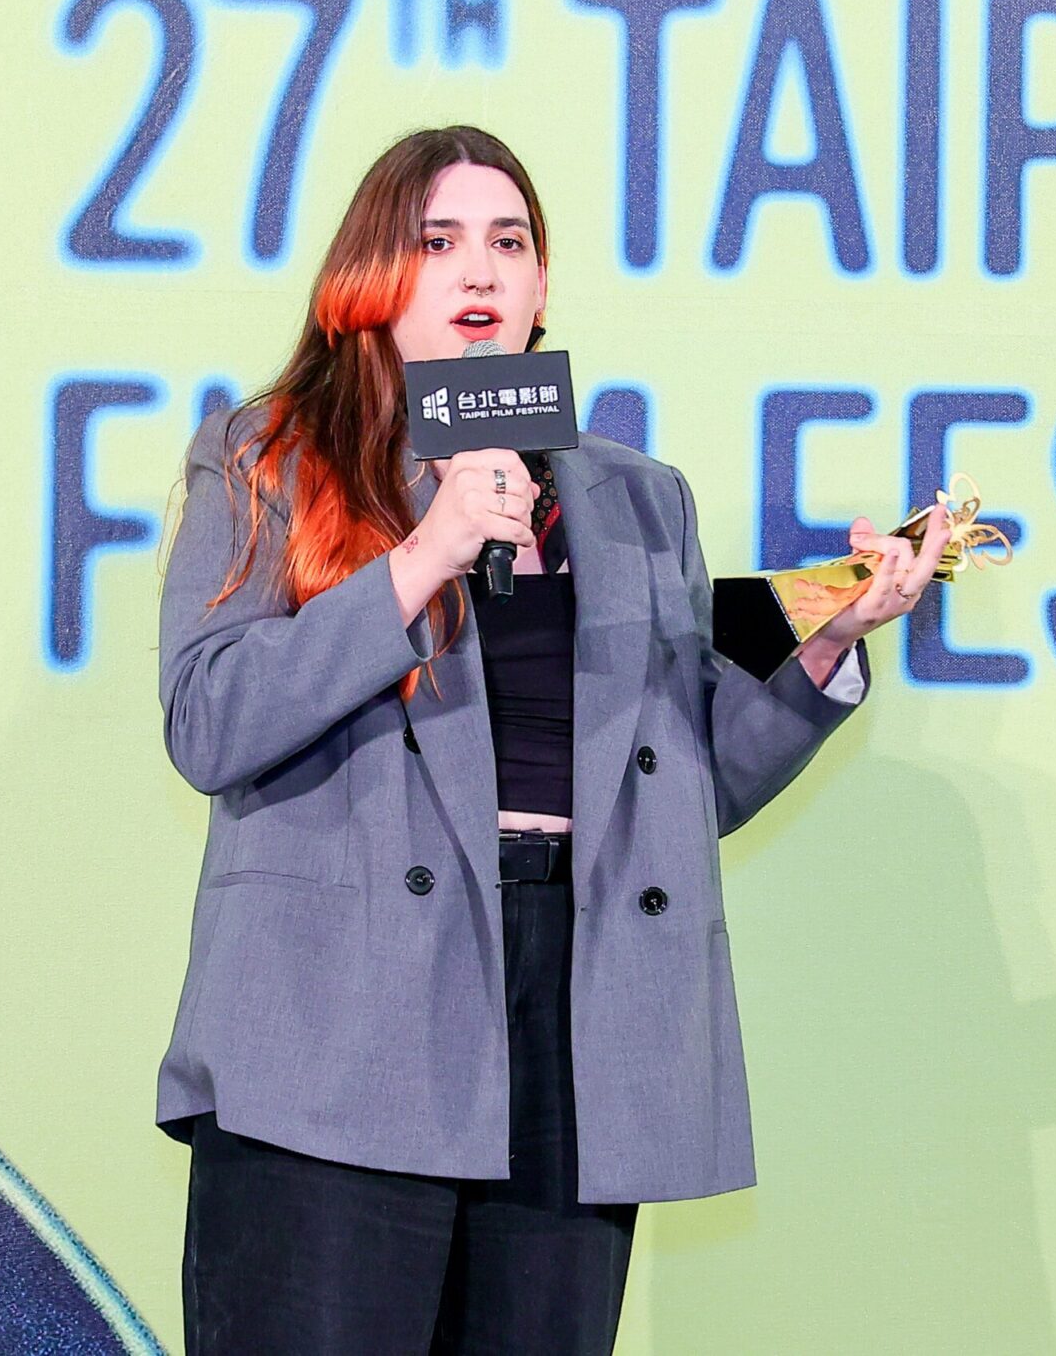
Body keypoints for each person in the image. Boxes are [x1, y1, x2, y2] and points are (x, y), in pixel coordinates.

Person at [153, 125, 950, 1354]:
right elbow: (208, 718)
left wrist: (829, 638)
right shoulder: (270, 456)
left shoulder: (637, 498)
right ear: (372, 277)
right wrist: (424, 555)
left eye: (508, 241)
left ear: (540, 286)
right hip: (337, 1022)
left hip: (577, 1012)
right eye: (437, 241)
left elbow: (684, 787)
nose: (478, 269)